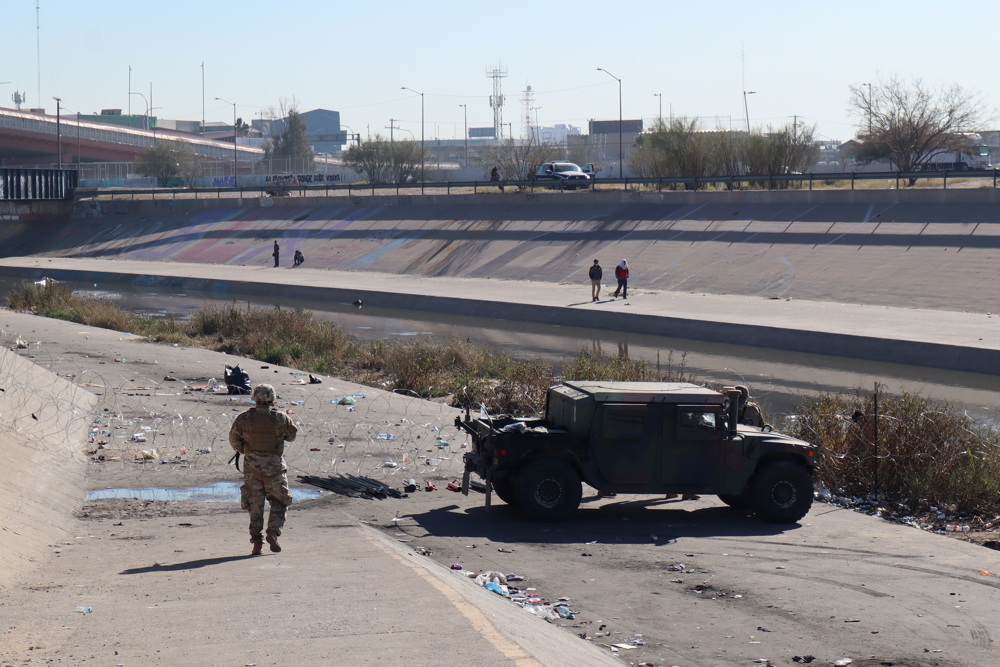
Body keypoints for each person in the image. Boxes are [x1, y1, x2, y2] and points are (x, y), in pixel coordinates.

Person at [229, 384, 297, 555]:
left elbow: (234, 440)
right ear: (273, 399)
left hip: (252, 467)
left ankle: (256, 541)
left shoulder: (244, 418)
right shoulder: (281, 418)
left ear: (254, 398)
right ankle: (273, 533)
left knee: (255, 504)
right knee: (279, 501)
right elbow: (291, 436)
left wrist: (247, 451)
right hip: (274, 466)